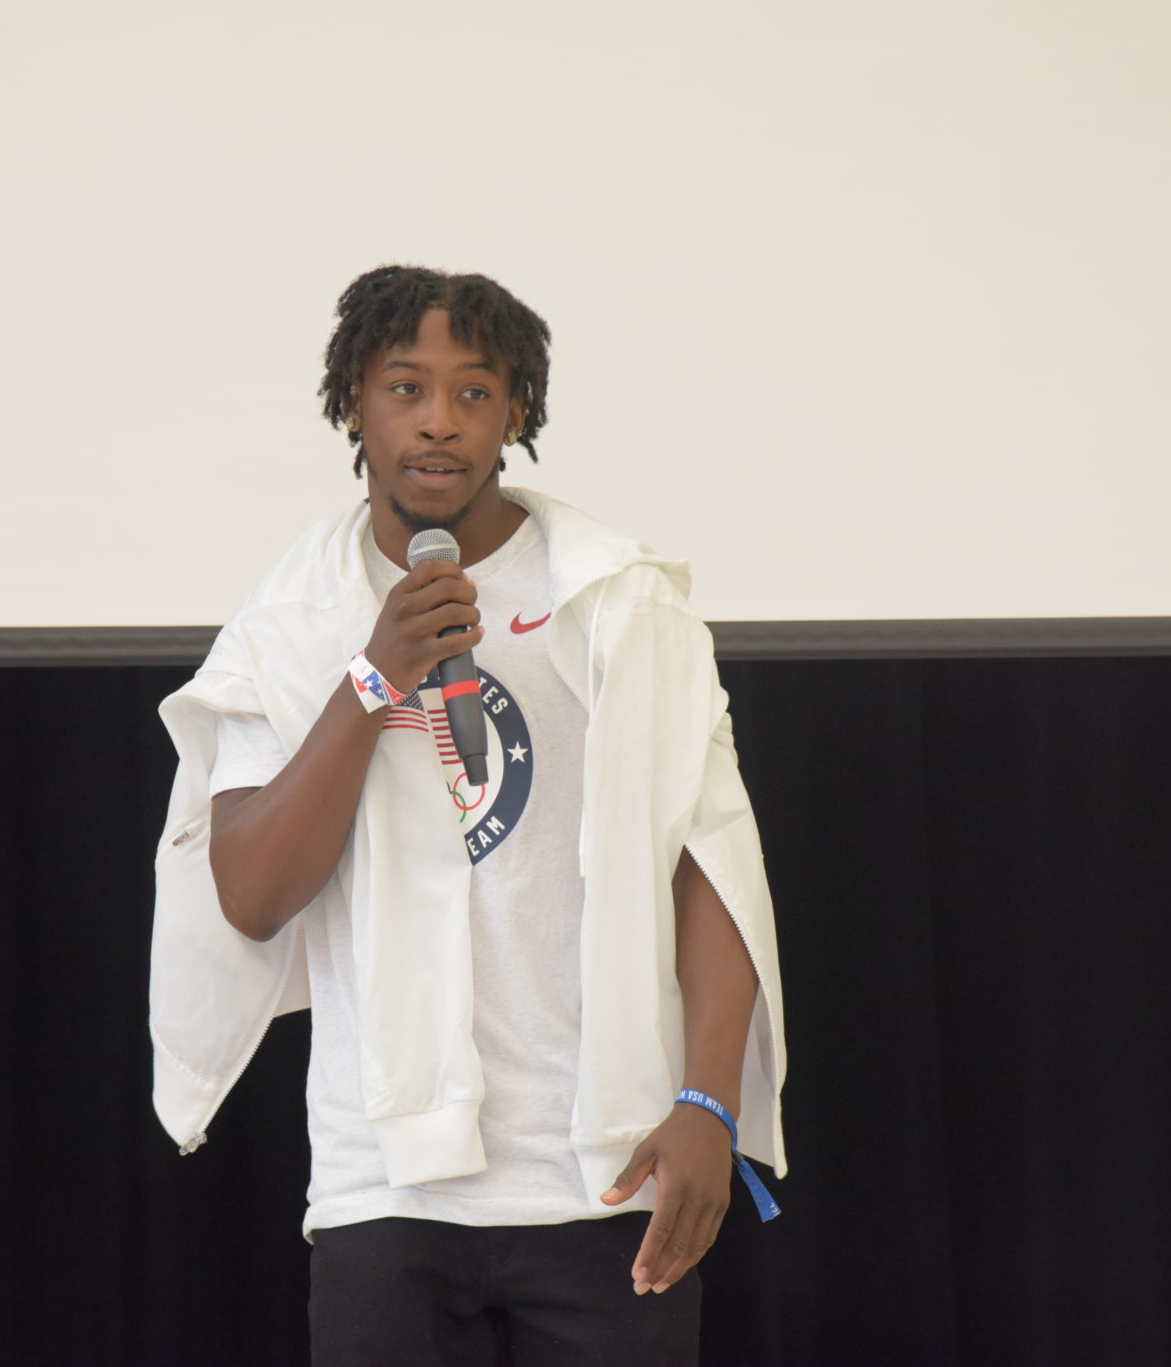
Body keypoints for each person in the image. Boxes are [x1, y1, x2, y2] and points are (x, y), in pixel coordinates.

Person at [149, 265, 786, 1365]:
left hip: (606, 1166)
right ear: (352, 401)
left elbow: (709, 864)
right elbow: (250, 893)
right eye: (404, 388)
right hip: (385, 1181)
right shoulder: (292, 621)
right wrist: (372, 678)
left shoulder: (618, 601)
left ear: (517, 412)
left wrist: (707, 1103)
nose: (437, 422)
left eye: (474, 391)